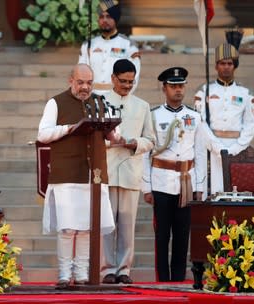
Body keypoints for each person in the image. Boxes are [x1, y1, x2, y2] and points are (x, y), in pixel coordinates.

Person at [37, 63, 115, 289]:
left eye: (89, 83)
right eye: (80, 82)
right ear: (70, 80)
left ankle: (81, 274)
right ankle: (64, 274)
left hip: (94, 174)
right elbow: (42, 134)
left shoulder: (100, 102)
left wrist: (115, 134)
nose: (85, 87)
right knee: (68, 228)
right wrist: (69, 128)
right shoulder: (56, 102)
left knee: (86, 229)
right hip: (67, 174)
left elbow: (111, 134)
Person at [142, 67, 206, 282]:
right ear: (164, 88)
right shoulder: (153, 115)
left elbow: (199, 152)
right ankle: (163, 279)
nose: (178, 90)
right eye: (173, 86)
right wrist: (146, 187)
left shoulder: (194, 116)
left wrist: (200, 187)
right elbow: (146, 154)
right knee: (162, 236)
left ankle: (178, 280)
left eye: (181, 86)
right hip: (161, 182)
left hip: (186, 182)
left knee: (182, 235)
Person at [101, 59, 155, 284]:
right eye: (123, 81)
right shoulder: (100, 101)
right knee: (106, 225)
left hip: (131, 170)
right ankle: (106, 269)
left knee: (127, 224)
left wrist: (134, 143)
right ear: (113, 78)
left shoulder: (142, 106)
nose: (126, 86)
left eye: (131, 82)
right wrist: (110, 141)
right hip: (106, 169)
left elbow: (151, 140)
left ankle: (124, 269)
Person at [194, 43, 254, 196]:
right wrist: (216, 146)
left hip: (238, 149)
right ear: (216, 66)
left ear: (234, 66)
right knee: (214, 192)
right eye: (222, 63)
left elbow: (250, 122)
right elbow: (201, 122)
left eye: (230, 63)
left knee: (236, 194)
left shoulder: (245, 93)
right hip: (212, 148)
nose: (226, 67)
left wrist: (237, 148)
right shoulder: (204, 91)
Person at [78, 0, 140, 97]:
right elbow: (80, 73)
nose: (105, 20)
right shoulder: (88, 45)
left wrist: (120, 97)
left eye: (109, 17)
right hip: (91, 97)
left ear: (116, 19)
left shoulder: (128, 45)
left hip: (117, 97)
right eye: (102, 17)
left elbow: (134, 76)